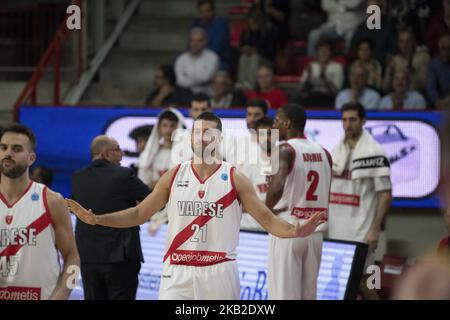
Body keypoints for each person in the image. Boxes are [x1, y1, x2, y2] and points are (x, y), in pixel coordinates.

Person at [67, 112, 325, 300]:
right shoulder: (174, 174)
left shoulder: (235, 177)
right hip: (177, 269)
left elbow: (267, 219)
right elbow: (139, 213)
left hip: (219, 270)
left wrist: (294, 231)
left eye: (208, 133)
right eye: (197, 132)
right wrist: (97, 219)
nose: (202, 138)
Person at [0, 124, 80, 300]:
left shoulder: (52, 201)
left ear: (31, 158)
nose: (8, 153)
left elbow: (73, 258)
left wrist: (62, 295)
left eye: (17, 149)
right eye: (3, 147)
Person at [265, 104, 332, 300]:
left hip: (288, 229)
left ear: (287, 123)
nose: (274, 125)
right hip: (315, 234)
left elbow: (276, 187)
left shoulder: (285, 149)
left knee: (283, 295)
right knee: (308, 296)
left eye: (277, 120)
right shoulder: (324, 152)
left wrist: (264, 212)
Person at [72, 135, 150, 300]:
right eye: (118, 150)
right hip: (120, 258)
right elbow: (153, 200)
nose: (122, 154)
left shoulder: (77, 178)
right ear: (106, 154)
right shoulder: (124, 175)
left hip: (88, 258)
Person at [328, 103, 392, 272]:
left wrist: (376, 229)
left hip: (362, 231)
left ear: (363, 121)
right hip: (334, 230)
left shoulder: (375, 152)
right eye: (344, 120)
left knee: (366, 282)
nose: (347, 124)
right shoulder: (335, 151)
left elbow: (385, 194)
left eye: (352, 120)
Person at [240, 117, 276, 231]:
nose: (266, 139)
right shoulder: (248, 165)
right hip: (252, 228)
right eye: (262, 134)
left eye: (270, 134)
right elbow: (240, 200)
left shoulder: (288, 161)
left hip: (278, 227)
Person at [138, 109, 185, 189]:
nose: (168, 130)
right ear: (159, 127)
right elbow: (143, 182)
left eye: (172, 125)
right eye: (165, 125)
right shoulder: (149, 153)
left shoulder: (186, 153)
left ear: (178, 127)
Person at [237, 9, 279, 89]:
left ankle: (251, 83)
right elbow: (241, 46)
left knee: (254, 57)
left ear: (260, 22)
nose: (251, 26)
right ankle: (241, 83)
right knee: (243, 57)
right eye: (249, 24)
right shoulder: (246, 32)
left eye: (254, 24)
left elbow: (271, 53)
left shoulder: (270, 31)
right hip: (249, 59)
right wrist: (244, 49)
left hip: (266, 62)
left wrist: (257, 51)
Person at [296, 38, 344, 108]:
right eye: (321, 50)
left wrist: (324, 78)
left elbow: (336, 91)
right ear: (317, 52)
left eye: (326, 50)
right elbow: (301, 90)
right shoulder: (311, 66)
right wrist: (308, 80)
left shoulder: (337, 67)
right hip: (311, 98)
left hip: (329, 99)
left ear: (331, 52)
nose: (323, 52)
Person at [349, 0, 397, 67]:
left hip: (382, 65)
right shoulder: (361, 28)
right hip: (362, 66)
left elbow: (392, 52)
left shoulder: (389, 28)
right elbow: (353, 48)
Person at [382, 28, 430, 95]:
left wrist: (413, 72)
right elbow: (385, 88)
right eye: (402, 41)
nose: (405, 44)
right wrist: (391, 72)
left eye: (408, 41)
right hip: (397, 97)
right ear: (398, 44)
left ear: (413, 42)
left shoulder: (423, 57)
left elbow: (426, 86)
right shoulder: (394, 60)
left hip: (416, 97)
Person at [175, 28, 219, 95]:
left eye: (199, 41)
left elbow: (206, 78)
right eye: (192, 40)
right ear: (189, 42)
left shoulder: (212, 57)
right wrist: (197, 80)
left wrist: (188, 78)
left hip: (207, 94)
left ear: (205, 41)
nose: (195, 44)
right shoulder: (181, 58)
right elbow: (179, 80)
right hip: (184, 94)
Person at [191, 0, 231, 70]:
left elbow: (216, 48)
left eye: (207, 11)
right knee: (177, 59)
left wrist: (198, 53)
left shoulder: (221, 25)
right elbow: (190, 44)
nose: (204, 14)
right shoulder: (195, 24)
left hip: (218, 60)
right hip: (197, 57)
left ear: (213, 11)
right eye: (201, 12)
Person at [427, 34, 450, 109]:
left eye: (449, 49)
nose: (446, 52)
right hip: (441, 103)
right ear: (439, 49)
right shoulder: (434, 65)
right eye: (443, 48)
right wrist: (436, 101)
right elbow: (431, 88)